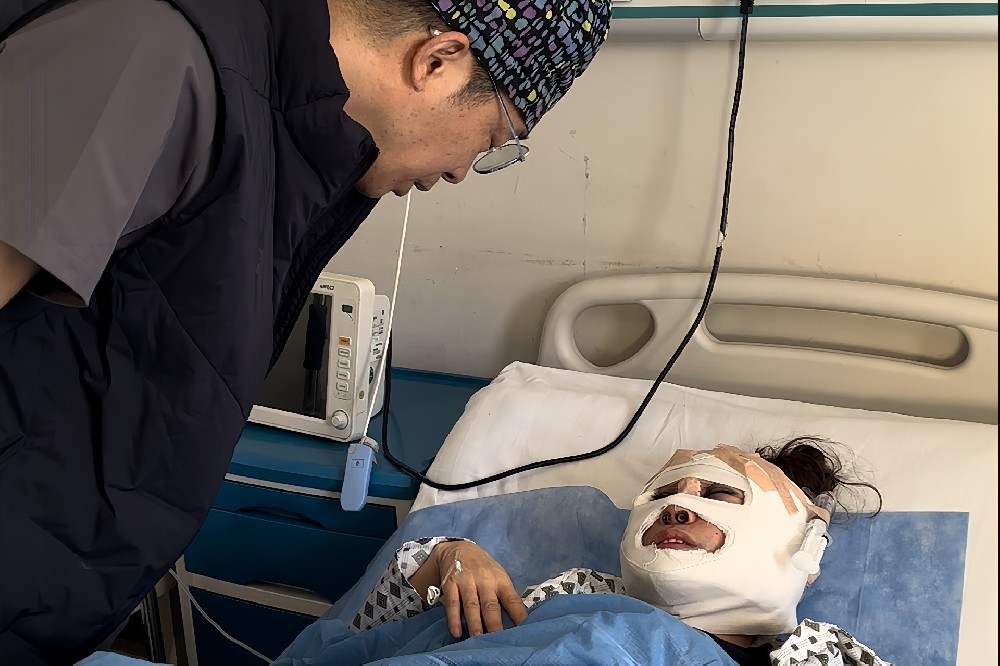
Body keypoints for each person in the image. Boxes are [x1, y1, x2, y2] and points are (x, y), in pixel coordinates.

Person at [0, 0, 612, 661]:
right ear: (437, 61)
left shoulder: (298, 141)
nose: (462, 171)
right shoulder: (151, 54)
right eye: (493, 138)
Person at [349, 437, 888, 665]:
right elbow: (364, 643)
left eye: (720, 495)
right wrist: (447, 556)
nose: (676, 510)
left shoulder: (829, 656)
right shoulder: (574, 596)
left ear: (807, 551)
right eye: (665, 495)